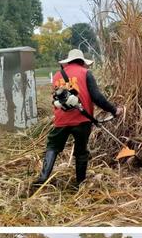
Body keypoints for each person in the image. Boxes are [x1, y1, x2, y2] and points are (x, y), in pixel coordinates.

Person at [32, 48, 123, 189]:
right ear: (82, 62)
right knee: (81, 151)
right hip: (82, 120)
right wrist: (114, 110)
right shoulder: (86, 73)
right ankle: (79, 184)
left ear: (68, 62)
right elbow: (97, 97)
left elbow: (56, 99)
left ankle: (43, 177)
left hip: (61, 120)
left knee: (53, 146)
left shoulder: (57, 75)